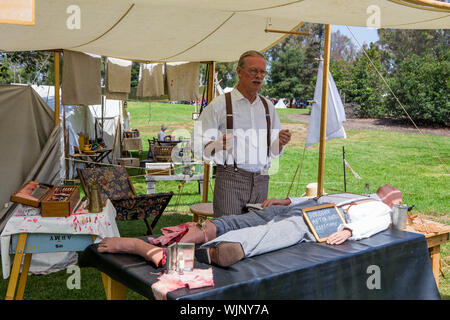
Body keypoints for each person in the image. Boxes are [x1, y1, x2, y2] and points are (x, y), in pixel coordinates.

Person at [97, 188, 394, 268]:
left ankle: (157, 252)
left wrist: (352, 232)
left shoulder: (382, 208)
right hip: (304, 208)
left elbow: (379, 221)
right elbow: (318, 197)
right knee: (236, 220)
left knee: (271, 233)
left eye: (392, 191)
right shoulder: (357, 193)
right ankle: (198, 237)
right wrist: (285, 199)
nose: (388, 189)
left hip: (321, 222)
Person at [192, 50, 291, 217]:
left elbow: (273, 152)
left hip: (261, 181)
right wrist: (216, 145)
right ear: (239, 71)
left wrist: (280, 142)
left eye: (262, 72)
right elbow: (195, 145)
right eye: (253, 71)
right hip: (230, 182)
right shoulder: (220, 104)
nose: (258, 76)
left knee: (254, 236)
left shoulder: (268, 107)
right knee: (228, 235)